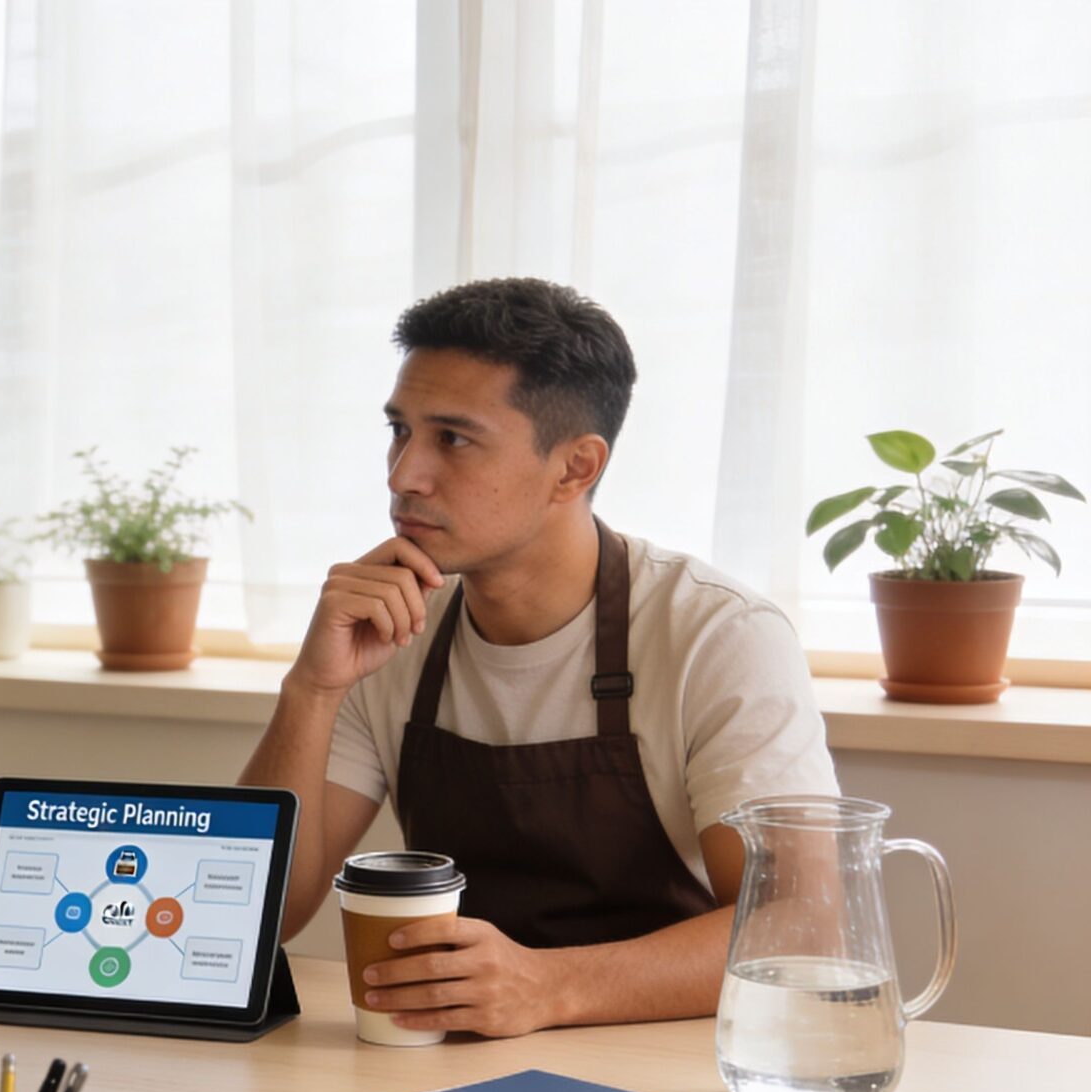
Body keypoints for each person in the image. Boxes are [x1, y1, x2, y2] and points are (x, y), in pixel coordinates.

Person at [240, 278, 839, 1038]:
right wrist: (311, 689)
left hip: (671, 1076)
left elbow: (801, 927)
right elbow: (258, 918)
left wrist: (548, 986)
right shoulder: (387, 631)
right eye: (400, 430)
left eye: (453, 439)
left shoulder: (718, 634)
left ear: (576, 468)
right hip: (457, 1058)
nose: (402, 476)